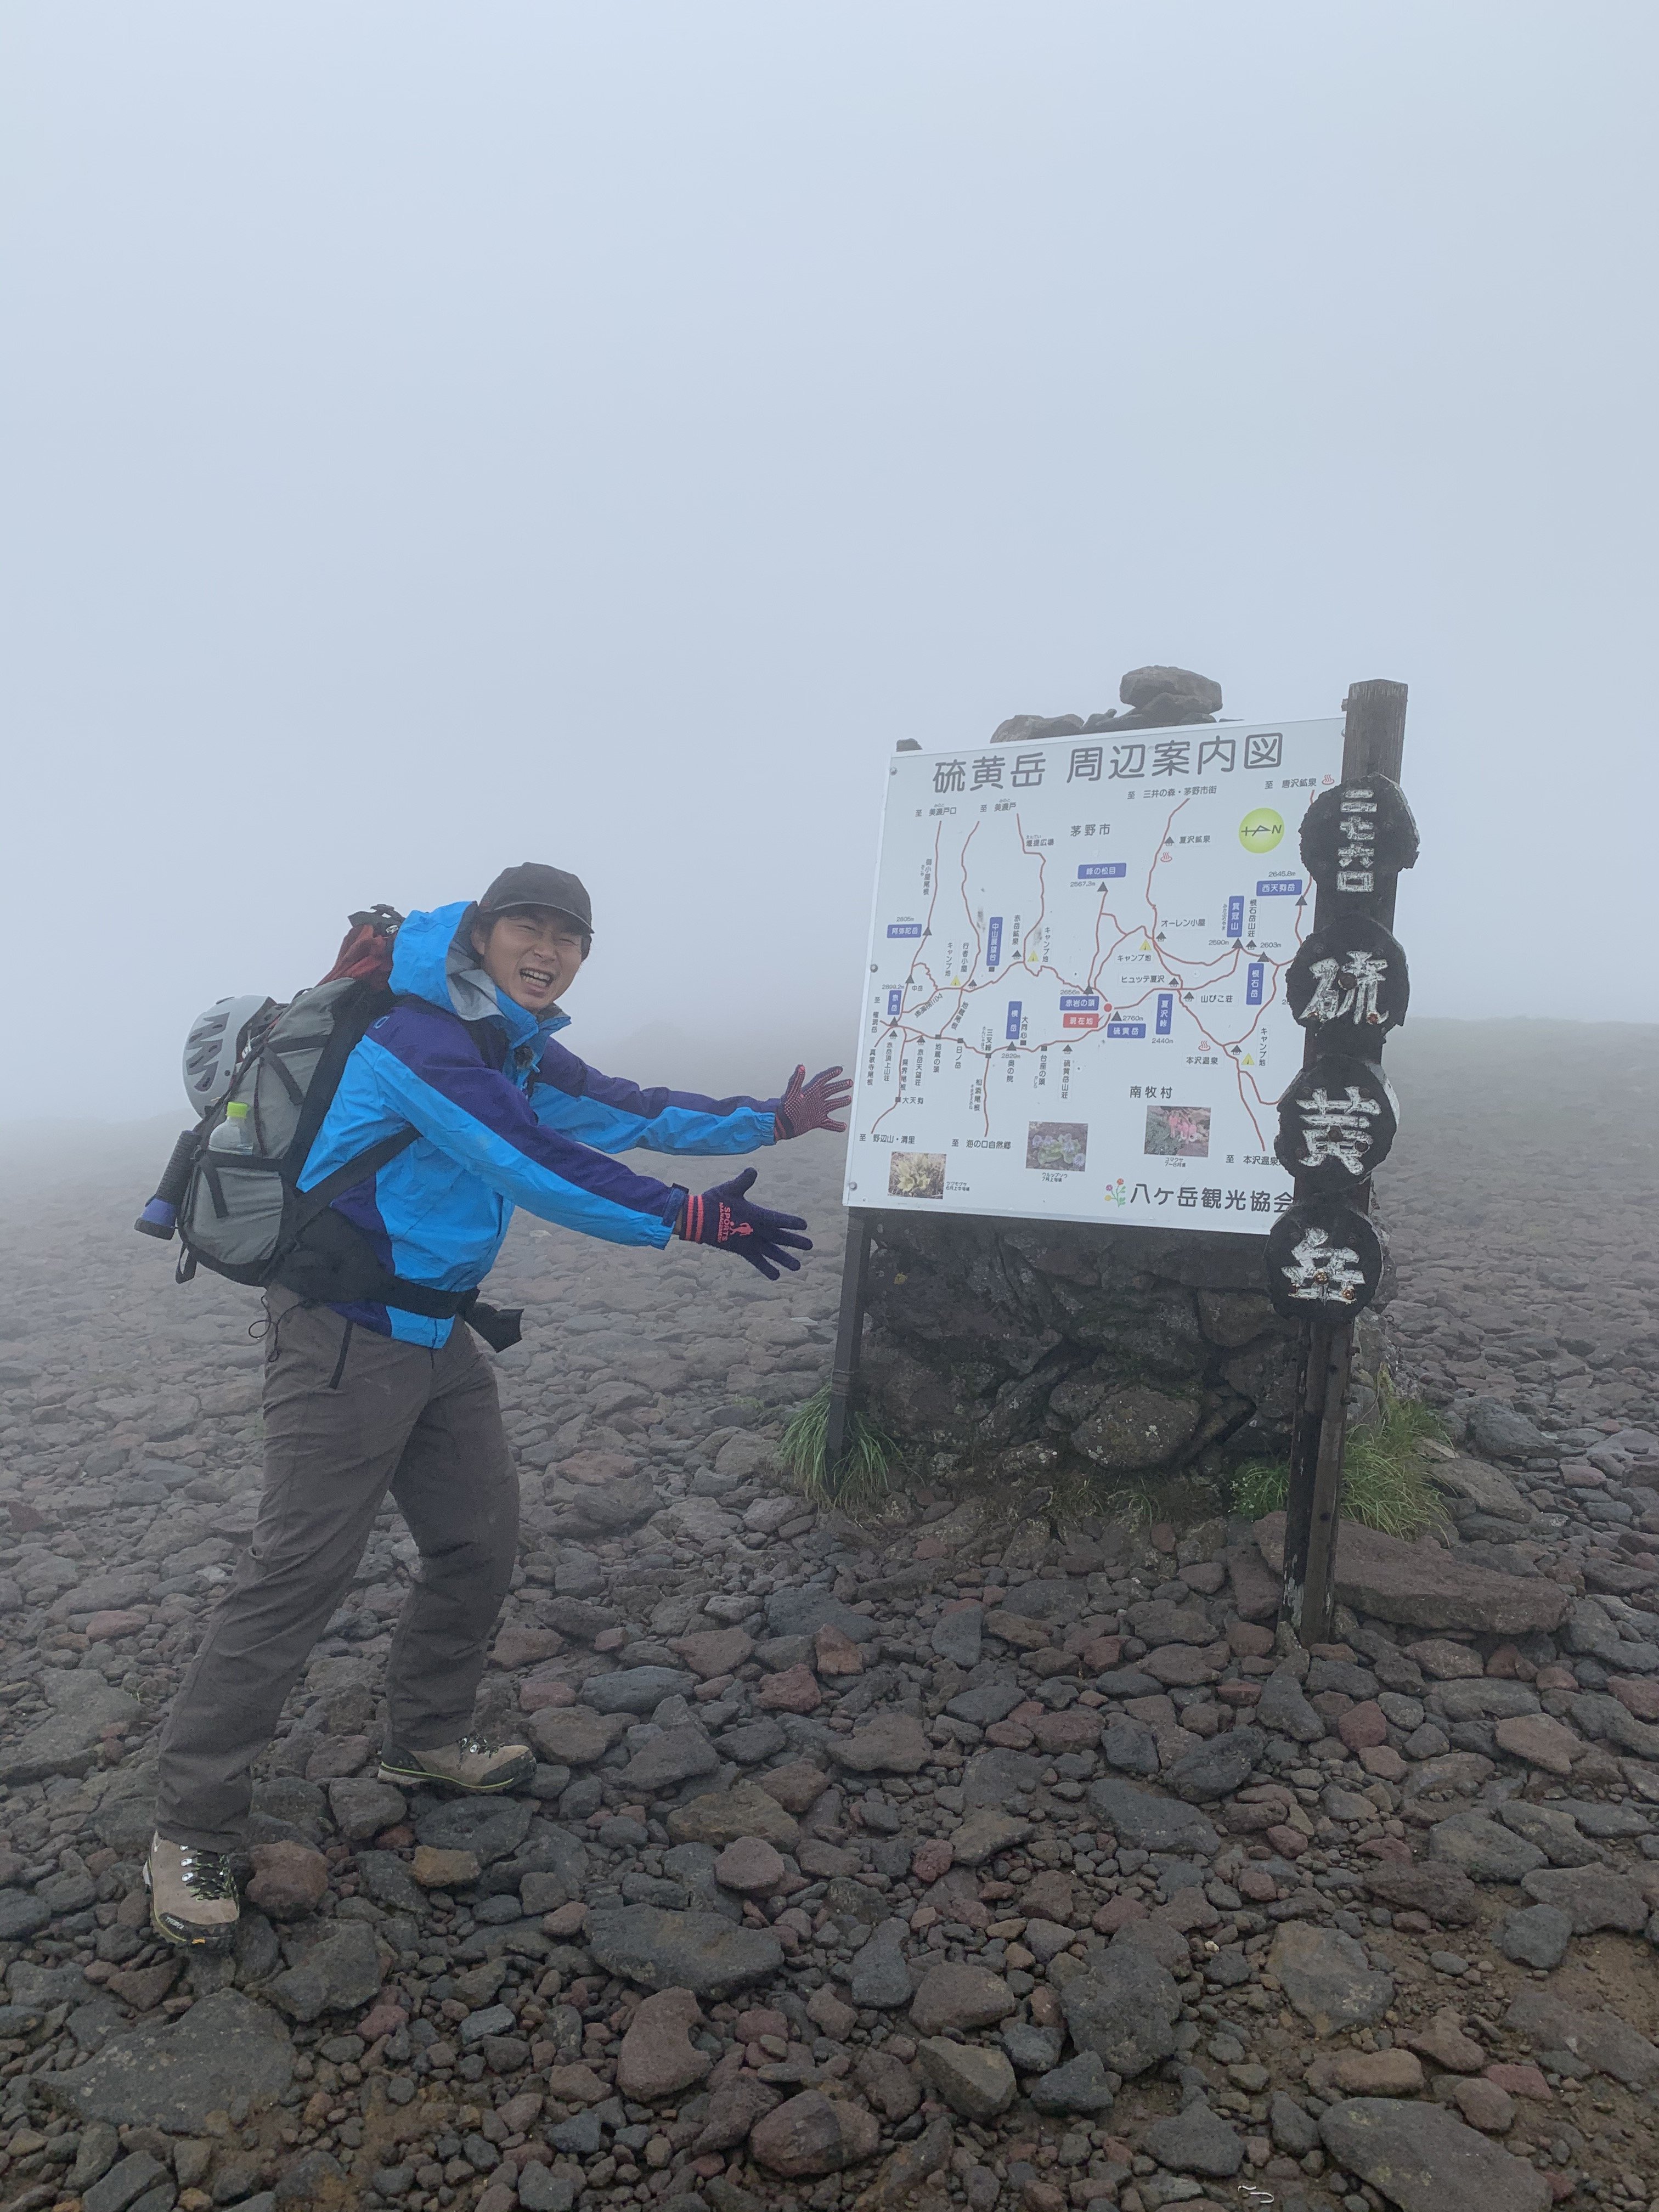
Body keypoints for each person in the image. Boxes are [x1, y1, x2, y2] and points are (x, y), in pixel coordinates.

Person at [146, 862, 850, 1950]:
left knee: (479, 1539)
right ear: (481, 929)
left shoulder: (503, 1037)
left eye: (572, 937)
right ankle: (189, 1823)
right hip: (342, 1334)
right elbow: (532, 1160)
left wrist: (771, 1120)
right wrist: (690, 1220)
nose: (552, 948)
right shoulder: (420, 1036)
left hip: (438, 1332)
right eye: (531, 925)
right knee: (297, 1574)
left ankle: (425, 1739)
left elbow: (618, 1107)